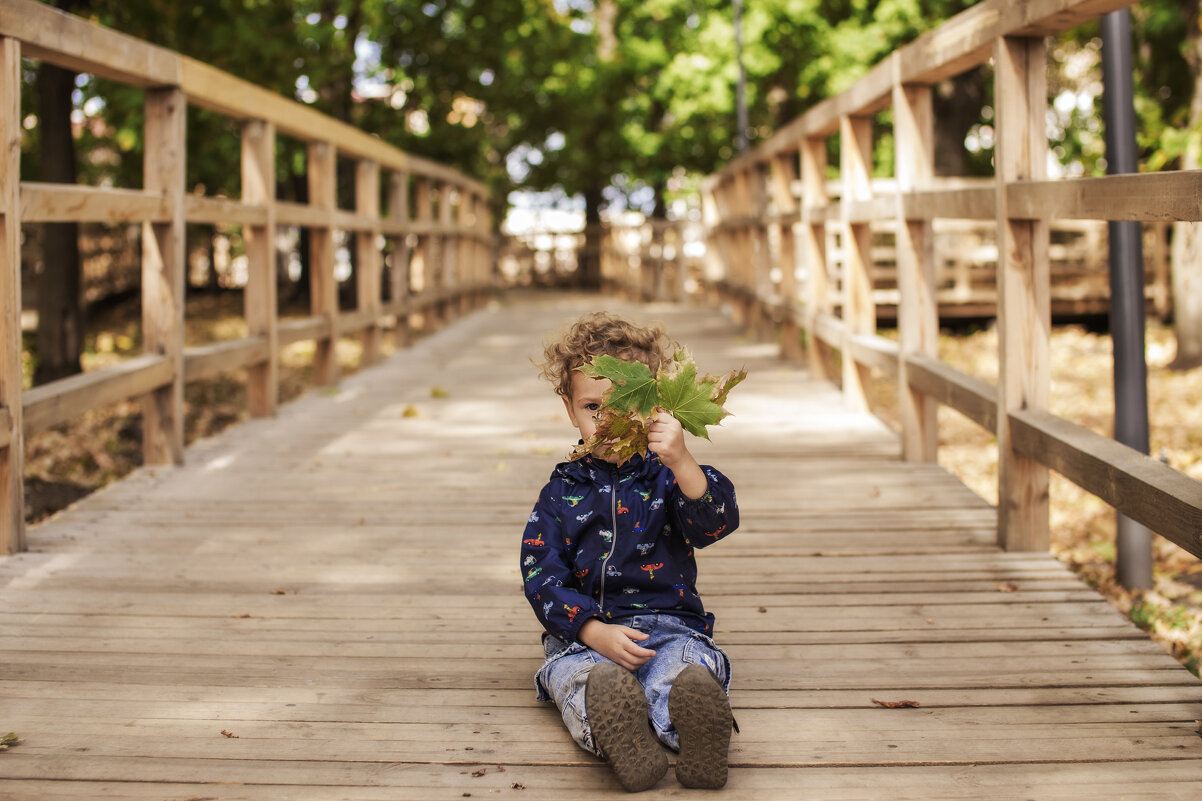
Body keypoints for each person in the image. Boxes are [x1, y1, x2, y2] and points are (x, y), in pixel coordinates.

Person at [520, 311, 740, 792]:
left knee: (682, 671)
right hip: (585, 636)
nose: (610, 420)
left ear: (656, 402)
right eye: (594, 406)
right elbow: (541, 575)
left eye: (626, 404)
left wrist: (682, 460)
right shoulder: (560, 493)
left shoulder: (667, 476)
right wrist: (590, 629)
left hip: (668, 624)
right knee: (575, 680)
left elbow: (715, 522)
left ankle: (697, 732)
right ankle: (622, 739)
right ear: (569, 409)